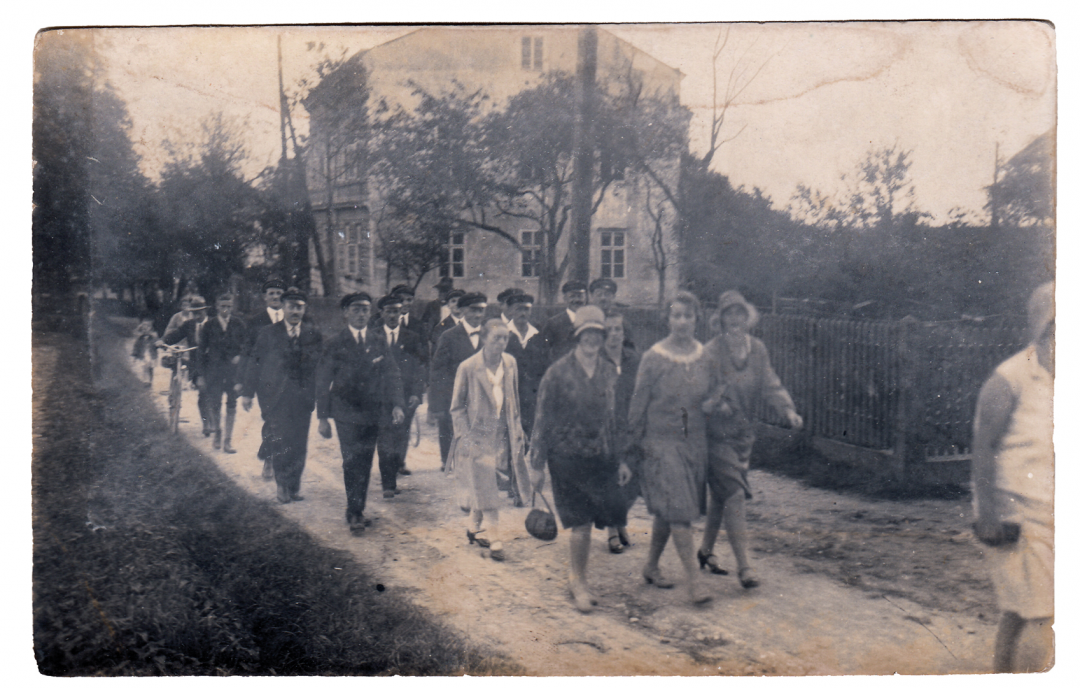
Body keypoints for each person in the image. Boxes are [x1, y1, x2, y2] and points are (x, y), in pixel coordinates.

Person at [971, 281, 1054, 673]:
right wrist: (987, 515)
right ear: (1043, 329)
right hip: (1015, 513)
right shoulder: (1009, 380)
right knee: (1046, 613)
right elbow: (983, 448)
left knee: (1021, 609)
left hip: (1057, 513)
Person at [698, 290, 803, 589]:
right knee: (733, 493)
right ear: (720, 320)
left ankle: (705, 551)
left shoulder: (757, 349)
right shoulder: (711, 351)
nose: (735, 320)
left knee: (721, 495)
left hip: (744, 435)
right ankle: (745, 567)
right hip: (715, 434)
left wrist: (788, 410)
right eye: (729, 314)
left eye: (739, 314)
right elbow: (700, 393)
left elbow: (770, 383)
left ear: (747, 318)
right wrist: (718, 404)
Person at [528, 306, 629, 613]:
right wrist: (536, 465)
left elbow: (616, 419)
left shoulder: (610, 371)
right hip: (566, 459)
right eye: (587, 334)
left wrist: (622, 459)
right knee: (581, 523)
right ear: (577, 336)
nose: (592, 340)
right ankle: (578, 583)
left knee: (589, 523)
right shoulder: (557, 372)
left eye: (597, 334)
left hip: (600, 457)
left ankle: (578, 579)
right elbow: (542, 419)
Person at [626, 291, 718, 605]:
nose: (682, 322)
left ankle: (651, 566)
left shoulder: (704, 356)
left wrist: (712, 403)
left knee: (671, 507)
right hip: (659, 442)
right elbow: (638, 402)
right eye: (676, 315)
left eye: (688, 316)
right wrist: (630, 448)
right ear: (667, 319)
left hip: (693, 443)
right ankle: (695, 581)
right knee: (678, 508)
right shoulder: (653, 357)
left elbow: (713, 394)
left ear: (696, 319)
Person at [316, 292, 406, 533]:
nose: (361, 314)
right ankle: (354, 511)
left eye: (365, 309)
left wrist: (397, 404)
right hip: (346, 413)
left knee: (365, 462)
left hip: (372, 413)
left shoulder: (378, 341)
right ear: (345, 312)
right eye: (355, 309)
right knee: (352, 460)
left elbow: (392, 374)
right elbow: (323, 381)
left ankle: (356, 509)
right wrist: (322, 417)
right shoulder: (334, 343)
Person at [448, 318, 528, 563]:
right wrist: (464, 435)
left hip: (504, 432)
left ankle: (474, 526)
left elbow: (513, 398)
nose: (501, 343)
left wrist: (518, 428)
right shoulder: (469, 367)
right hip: (478, 433)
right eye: (496, 339)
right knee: (486, 484)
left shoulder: (510, 363)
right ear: (484, 339)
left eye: (505, 338)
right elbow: (456, 407)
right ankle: (494, 538)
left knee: (487, 482)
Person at [240, 288, 323, 504]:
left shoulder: (313, 334)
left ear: (305, 309)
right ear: (283, 307)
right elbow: (254, 363)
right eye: (291, 306)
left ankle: (294, 486)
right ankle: (282, 484)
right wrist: (247, 393)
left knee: (299, 443)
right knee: (281, 440)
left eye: (299, 307)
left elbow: (320, 368)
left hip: (303, 398)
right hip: (276, 398)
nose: (295, 311)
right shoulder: (268, 333)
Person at [430, 293, 488, 470]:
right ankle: (450, 462)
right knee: (452, 431)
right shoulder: (449, 336)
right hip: (455, 396)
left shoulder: (489, 334)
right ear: (462, 311)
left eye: (481, 311)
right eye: (473, 310)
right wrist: (437, 404)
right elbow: (438, 370)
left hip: (483, 396)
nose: (478, 315)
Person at [601, 311, 641, 554]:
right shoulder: (596, 359)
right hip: (606, 426)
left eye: (618, 329)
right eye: (609, 330)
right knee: (611, 476)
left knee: (634, 479)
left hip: (631, 424)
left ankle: (619, 518)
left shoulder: (635, 359)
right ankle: (612, 531)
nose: (614, 334)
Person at [376, 293, 428, 479]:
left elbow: (419, 366)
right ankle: (388, 467)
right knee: (384, 432)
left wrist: (417, 393)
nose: (393, 316)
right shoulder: (372, 334)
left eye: (396, 312)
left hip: (406, 392)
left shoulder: (411, 337)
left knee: (403, 429)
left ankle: (398, 462)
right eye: (389, 312)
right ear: (381, 313)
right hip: (379, 393)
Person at [241, 278, 286, 480]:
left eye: (279, 293)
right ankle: (269, 460)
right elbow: (249, 355)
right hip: (266, 382)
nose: (276, 297)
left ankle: (277, 458)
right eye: (272, 293)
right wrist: (246, 390)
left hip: (290, 381)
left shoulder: (294, 318)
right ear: (264, 297)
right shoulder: (255, 321)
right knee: (272, 419)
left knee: (286, 422)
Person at [198, 293, 248, 453]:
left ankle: (228, 440)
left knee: (232, 404)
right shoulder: (209, 325)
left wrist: (240, 357)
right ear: (217, 307)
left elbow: (247, 347)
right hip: (214, 372)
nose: (225, 309)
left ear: (232, 307)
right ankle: (218, 433)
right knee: (215, 403)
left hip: (233, 373)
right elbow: (201, 351)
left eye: (228, 306)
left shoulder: (239, 324)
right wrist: (199, 374)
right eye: (222, 306)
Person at [159, 295, 212, 436]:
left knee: (211, 393)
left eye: (199, 312)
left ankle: (211, 421)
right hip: (196, 365)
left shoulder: (213, 324)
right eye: (194, 312)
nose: (197, 315)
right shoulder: (188, 325)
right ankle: (207, 423)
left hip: (212, 364)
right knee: (203, 389)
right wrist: (163, 341)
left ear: (205, 311)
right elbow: (175, 335)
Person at [504, 293, 544, 439]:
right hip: (507, 395)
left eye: (526, 309)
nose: (523, 313)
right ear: (510, 311)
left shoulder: (539, 333)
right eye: (518, 309)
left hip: (532, 398)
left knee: (532, 436)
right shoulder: (502, 333)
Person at [540, 280, 588, 364]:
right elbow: (544, 351)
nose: (576, 300)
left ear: (585, 298)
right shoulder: (553, 323)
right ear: (565, 299)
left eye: (580, 296)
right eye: (572, 296)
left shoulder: (591, 320)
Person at [419, 276, 455, 340]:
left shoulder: (454, 306)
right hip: (435, 338)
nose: (443, 294)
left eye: (446, 291)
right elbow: (424, 321)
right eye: (441, 290)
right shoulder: (432, 305)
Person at [131, 315, 158, 386]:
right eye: (143, 329)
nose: (144, 331)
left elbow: (157, 345)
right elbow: (136, 347)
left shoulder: (153, 338)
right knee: (144, 367)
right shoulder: (140, 339)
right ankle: (146, 381)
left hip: (151, 355)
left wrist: (160, 345)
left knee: (150, 368)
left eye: (146, 329)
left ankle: (150, 380)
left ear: (150, 329)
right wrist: (134, 356)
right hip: (143, 355)